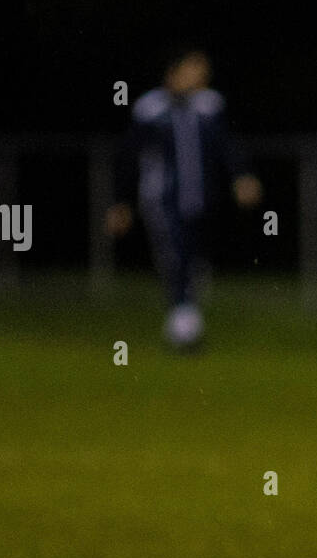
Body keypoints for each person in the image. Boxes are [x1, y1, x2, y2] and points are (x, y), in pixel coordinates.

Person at [106, 48, 262, 351]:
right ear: (174, 72)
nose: (200, 79)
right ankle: (185, 329)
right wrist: (120, 202)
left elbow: (226, 146)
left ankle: (183, 321)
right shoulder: (150, 109)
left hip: (202, 199)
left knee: (196, 263)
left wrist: (242, 175)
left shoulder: (209, 106)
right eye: (194, 71)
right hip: (162, 200)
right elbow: (129, 158)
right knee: (174, 257)